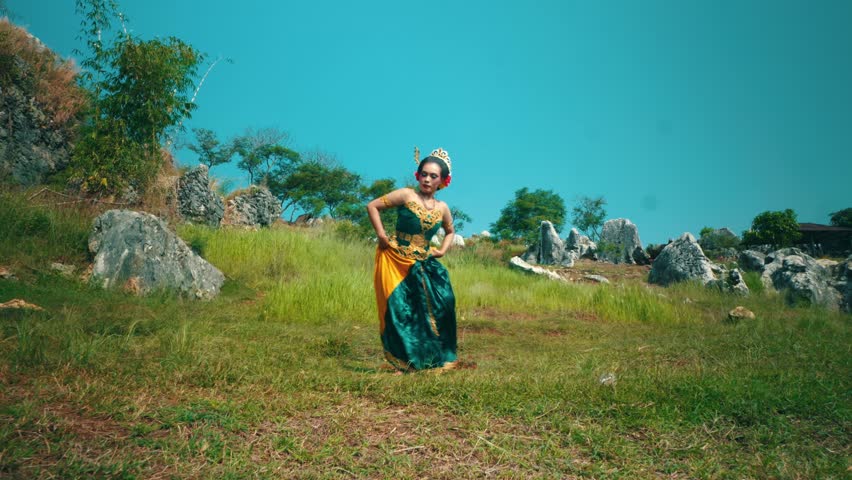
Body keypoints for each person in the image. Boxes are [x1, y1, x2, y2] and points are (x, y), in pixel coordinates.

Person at [366, 147, 458, 372]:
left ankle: (432, 359)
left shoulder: (442, 208)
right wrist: (381, 235)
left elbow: (450, 231)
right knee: (400, 310)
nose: (427, 179)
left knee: (444, 302)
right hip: (396, 260)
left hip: (424, 263)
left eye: (433, 176)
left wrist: (442, 250)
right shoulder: (406, 195)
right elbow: (373, 206)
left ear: (442, 181)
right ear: (418, 175)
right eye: (424, 174)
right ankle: (403, 362)